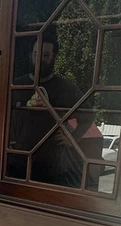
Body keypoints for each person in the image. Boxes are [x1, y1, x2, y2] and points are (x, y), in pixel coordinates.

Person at [9, 26, 96, 188]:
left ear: (54, 56)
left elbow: (88, 115)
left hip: (52, 167)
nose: (41, 59)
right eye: (37, 54)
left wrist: (73, 138)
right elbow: (1, 115)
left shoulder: (66, 88)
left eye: (46, 55)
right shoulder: (16, 85)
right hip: (17, 163)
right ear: (30, 56)